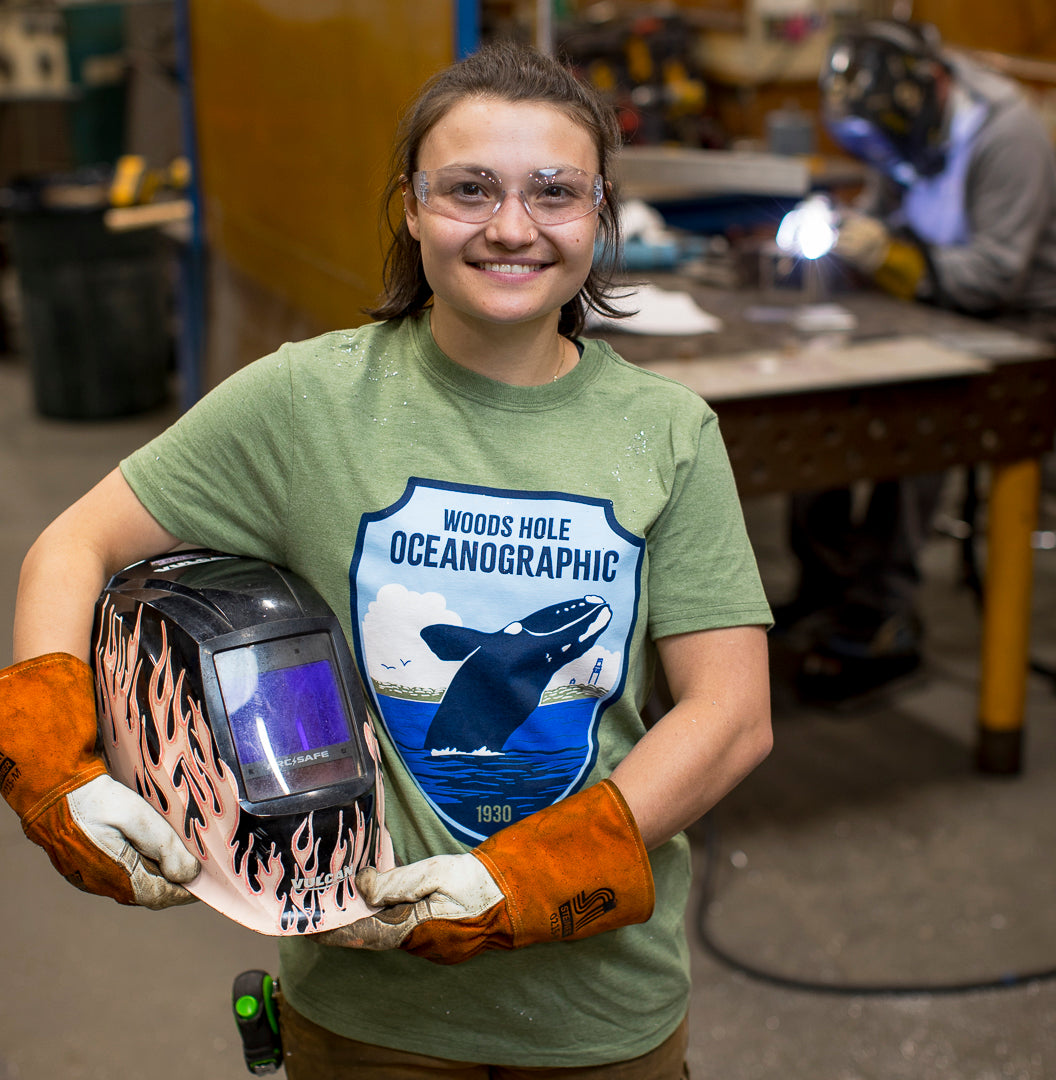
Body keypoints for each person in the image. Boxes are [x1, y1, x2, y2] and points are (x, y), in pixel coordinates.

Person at [0, 41, 774, 1078]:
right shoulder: (307, 400)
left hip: (601, 1004)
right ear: (412, 208)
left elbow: (731, 716)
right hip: (368, 1006)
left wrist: (532, 879)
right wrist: (54, 761)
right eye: (468, 189)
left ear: (601, 214)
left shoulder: (668, 432)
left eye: (555, 192)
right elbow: (74, 544)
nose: (511, 225)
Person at [779, 18, 1056, 702]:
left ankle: (881, 615)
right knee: (826, 378)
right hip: (948, 303)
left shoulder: (1008, 134)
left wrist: (889, 257)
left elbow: (995, 276)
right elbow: (887, 214)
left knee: (922, 408)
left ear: (932, 88)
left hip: (1040, 318)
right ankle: (825, 586)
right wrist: (856, 232)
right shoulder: (904, 127)